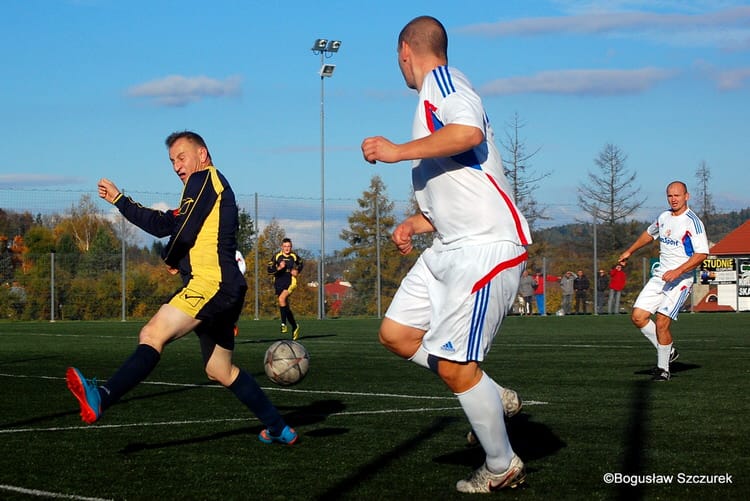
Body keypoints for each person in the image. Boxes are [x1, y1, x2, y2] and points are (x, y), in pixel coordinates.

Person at [360, 16, 530, 493]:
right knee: (396, 334)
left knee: (457, 367)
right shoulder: (431, 99)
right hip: (450, 245)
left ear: (404, 51)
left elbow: (468, 132)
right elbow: (463, 178)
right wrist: (417, 220)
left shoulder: (444, 81)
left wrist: (396, 152)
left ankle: (502, 466)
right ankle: (494, 395)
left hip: (484, 246)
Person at [65, 131, 297, 445]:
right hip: (225, 289)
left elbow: (182, 233)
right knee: (220, 370)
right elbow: (165, 223)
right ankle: (279, 427)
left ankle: (102, 396)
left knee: (151, 334)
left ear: (202, 154)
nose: (176, 166)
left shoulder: (205, 180)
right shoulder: (198, 196)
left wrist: (171, 256)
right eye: (172, 161)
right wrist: (120, 201)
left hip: (211, 285)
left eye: (181, 156)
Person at [618, 181, 709, 381]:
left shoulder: (692, 222)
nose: (673, 199)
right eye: (670, 196)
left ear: (687, 196)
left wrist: (678, 271)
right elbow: (649, 234)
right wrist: (629, 251)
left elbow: (702, 253)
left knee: (661, 321)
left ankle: (663, 369)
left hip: (681, 279)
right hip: (661, 276)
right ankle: (669, 351)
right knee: (638, 317)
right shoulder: (664, 217)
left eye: (677, 195)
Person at [267, 238, 303, 340]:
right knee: (285, 306)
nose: (287, 248)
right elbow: (269, 270)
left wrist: (297, 270)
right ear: (282, 247)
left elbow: (301, 263)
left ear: (291, 247)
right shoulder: (277, 256)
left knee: (281, 299)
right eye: (285, 246)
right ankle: (295, 326)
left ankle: (283, 324)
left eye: (289, 246)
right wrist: (279, 268)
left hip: (290, 282)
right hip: (279, 282)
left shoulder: (293, 256)